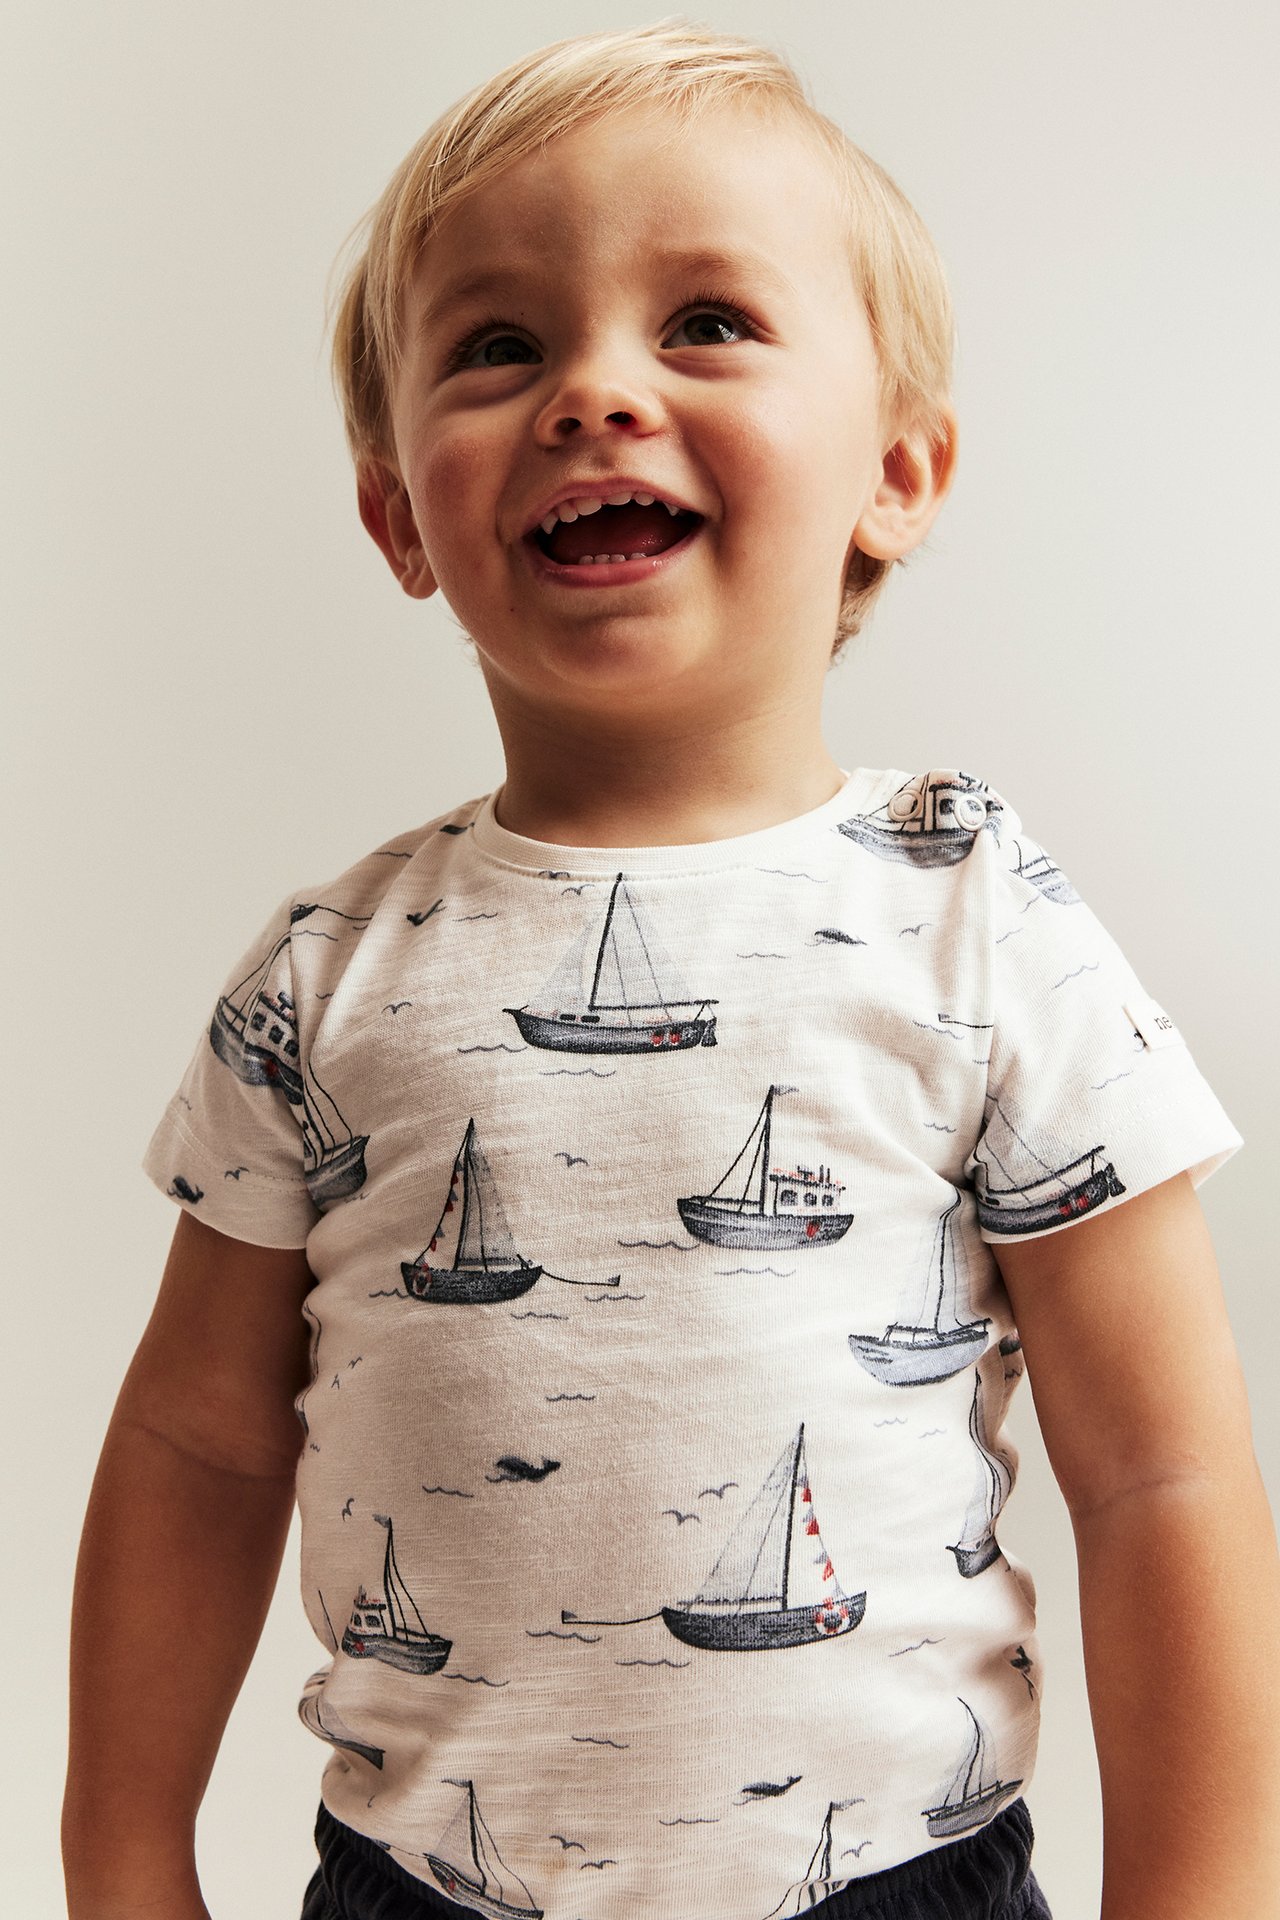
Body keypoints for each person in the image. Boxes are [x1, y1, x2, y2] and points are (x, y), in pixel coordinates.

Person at [62, 22, 1280, 1920]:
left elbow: (1163, 1479)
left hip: (893, 1886)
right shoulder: (325, 976)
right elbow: (195, 1448)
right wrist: (121, 1854)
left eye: (705, 321)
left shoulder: (979, 915)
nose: (592, 393)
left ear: (898, 471)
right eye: (497, 346)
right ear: (397, 514)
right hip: (420, 1888)